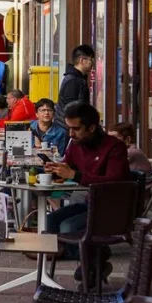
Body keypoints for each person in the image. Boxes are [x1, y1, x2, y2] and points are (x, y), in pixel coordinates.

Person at [44, 101, 130, 269]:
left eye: (75, 129)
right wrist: (54, 170)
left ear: (91, 128)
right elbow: (67, 165)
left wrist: (74, 175)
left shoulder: (114, 147)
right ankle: (90, 256)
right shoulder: (76, 145)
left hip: (113, 208)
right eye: (69, 128)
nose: (70, 134)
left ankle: (90, 261)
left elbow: (114, 181)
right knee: (51, 220)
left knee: (68, 226)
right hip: (90, 203)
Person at [57, 44, 94, 126]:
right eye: (91, 59)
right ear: (82, 60)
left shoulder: (78, 78)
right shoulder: (73, 80)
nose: (92, 63)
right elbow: (70, 109)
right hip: (68, 128)